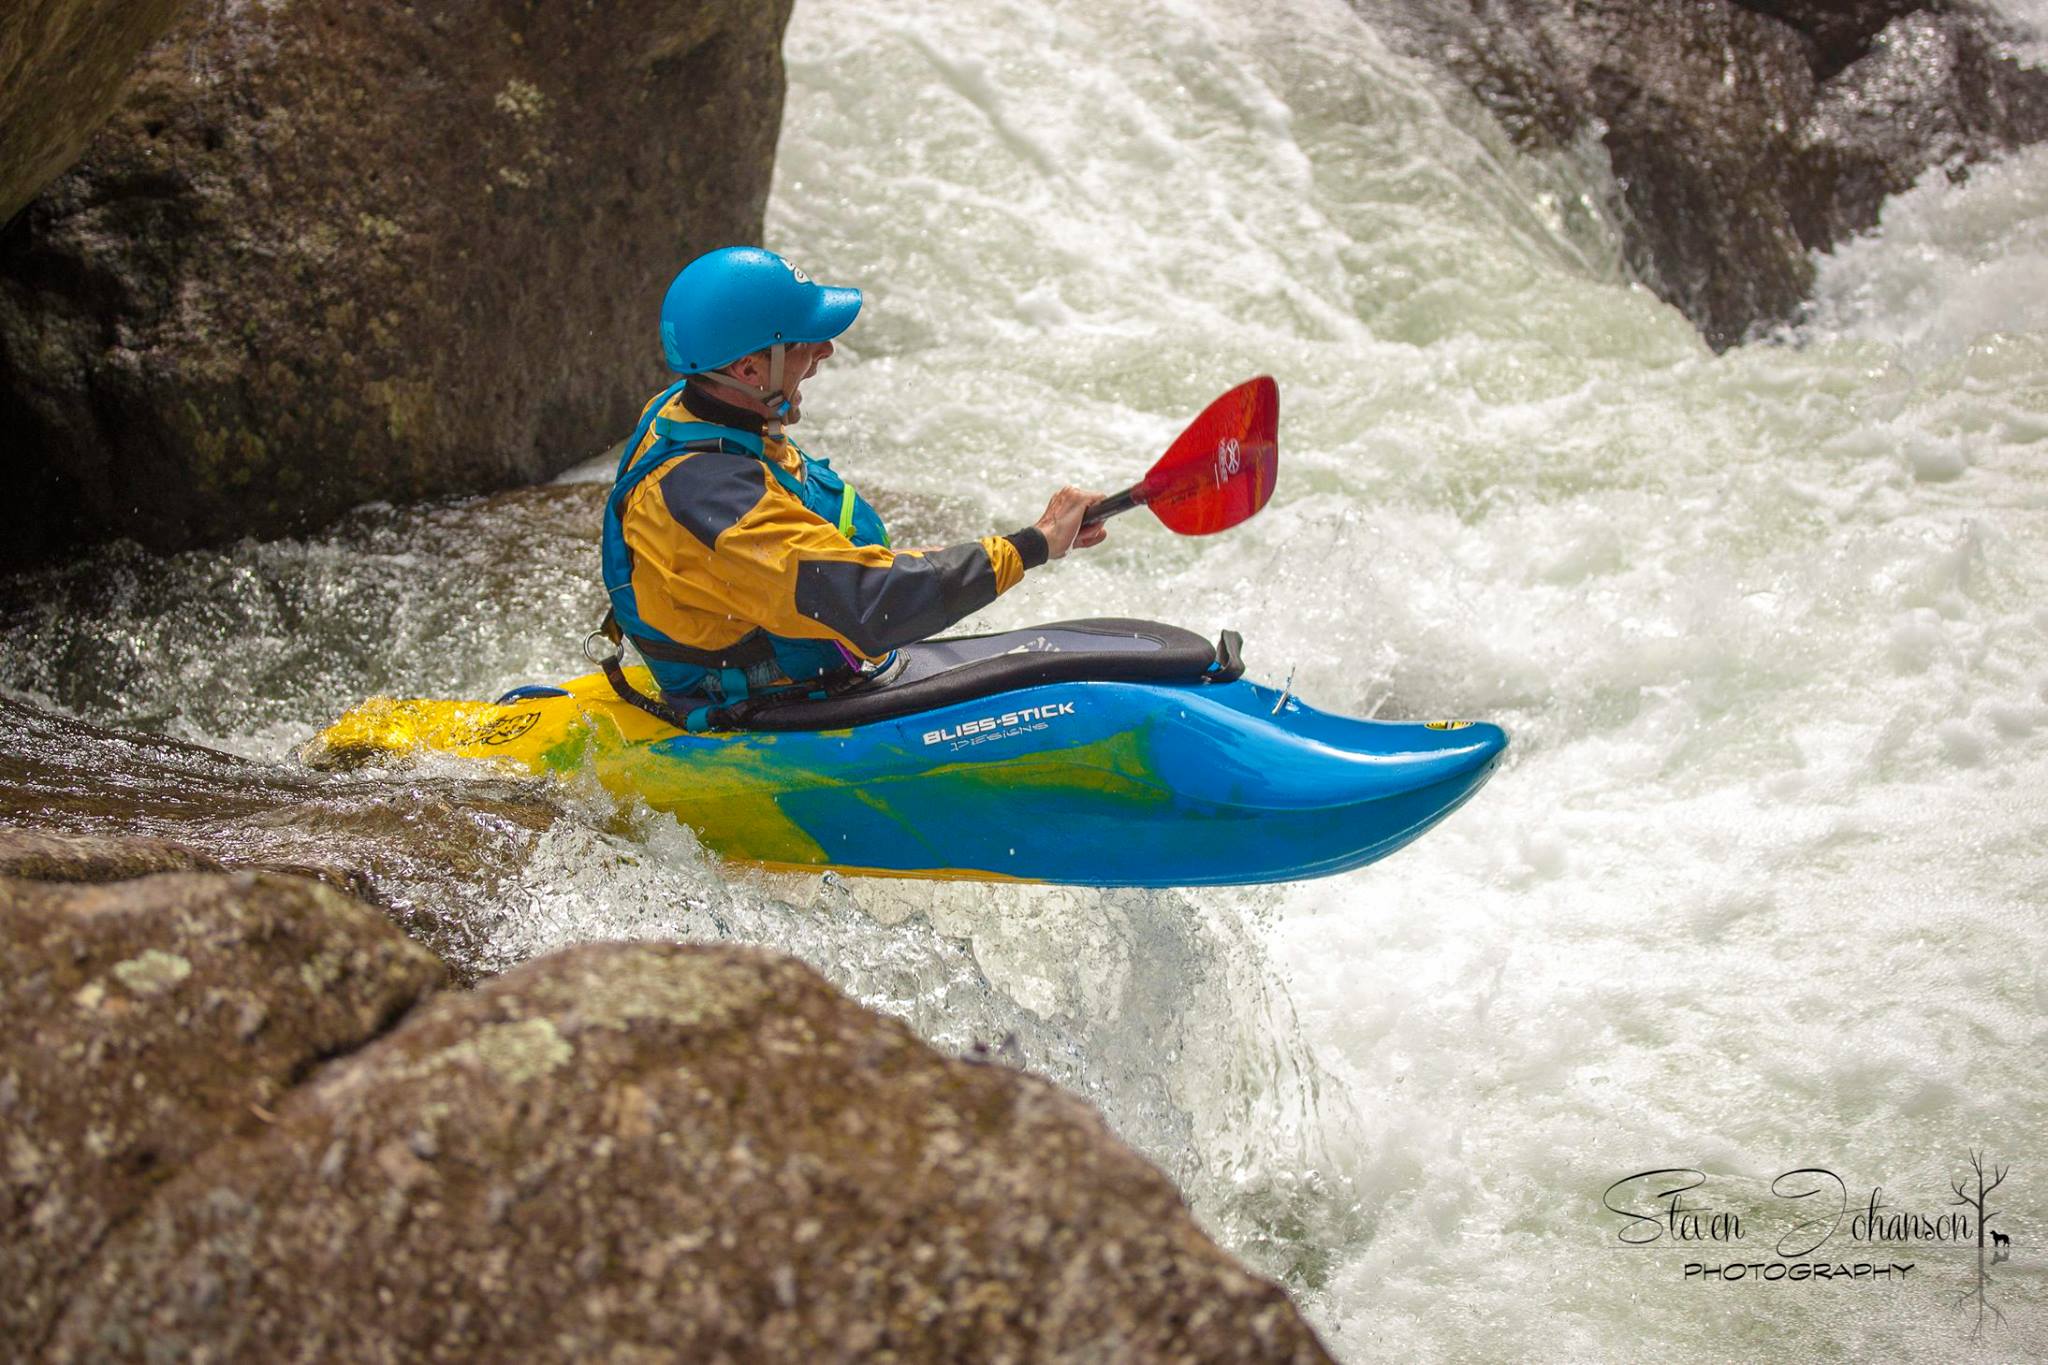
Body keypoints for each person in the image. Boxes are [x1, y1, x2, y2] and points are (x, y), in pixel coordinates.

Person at [599, 246, 1105, 720]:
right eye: (803, 342)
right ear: (749, 368)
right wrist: (1032, 543)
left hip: (802, 632)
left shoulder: (687, 410)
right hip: (767, 702)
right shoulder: (717, 506)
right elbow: (870, 603)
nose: (826, 350)